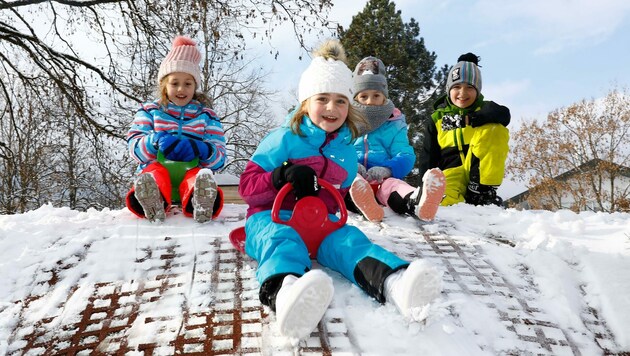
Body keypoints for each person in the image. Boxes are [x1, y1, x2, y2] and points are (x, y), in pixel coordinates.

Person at [238, 40, 442, 341]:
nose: (332, 108)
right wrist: (280, 175)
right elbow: (247, 189)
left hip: (320, 222)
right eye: (323, 99)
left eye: (341, 101)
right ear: (305, 102)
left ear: (350, 107)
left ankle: (393, 283)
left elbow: (343, 190)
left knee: (350, 240)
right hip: (273, 217)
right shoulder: (281, 139)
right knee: (281, 242)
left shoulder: (345, 150)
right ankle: (286, 294)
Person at [125, 36, 227, 223]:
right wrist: (154, 141)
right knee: (154, 173)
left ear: (195, 86)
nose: (181, 89)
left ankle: (200, 200)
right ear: (164, 85)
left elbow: (220, 158)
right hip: (158, 167)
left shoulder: (207, 116)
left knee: (198, 176)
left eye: (188, 83)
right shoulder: (150, 111)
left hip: (191, 169)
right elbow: (134, 148)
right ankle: (151, 197)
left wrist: (202, 149)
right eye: (174, 83)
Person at [346, 56, 446, 223]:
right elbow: (337, 148)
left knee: (393, 186)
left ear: (384, 96)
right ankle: (366, 207)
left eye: (376, 95)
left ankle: (416, 202)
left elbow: (404, 153)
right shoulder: (347, 121)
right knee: (350, 183)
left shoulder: (394, 123)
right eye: (364, 96)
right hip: (354, 177)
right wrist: (349, 165)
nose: (370, 101)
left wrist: (388, 169)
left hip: (381, 179)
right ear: (356, 98)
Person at [419, 53, 510, 206]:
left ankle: (482, 191)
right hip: (450, 174)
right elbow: (428, 155)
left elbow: (504, 114)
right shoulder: (437, 119)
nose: (462, 93)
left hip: (479, 171)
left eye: (469, 87)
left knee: (495, 128)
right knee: (443, 202)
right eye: (457, 87)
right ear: (448, 90)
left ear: (478, 91)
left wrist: (472, 119)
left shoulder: (486, 109)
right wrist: (424, 187)